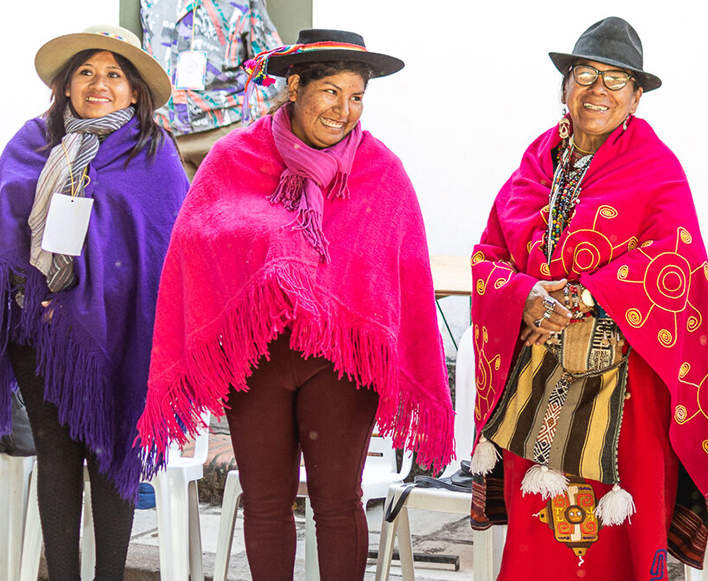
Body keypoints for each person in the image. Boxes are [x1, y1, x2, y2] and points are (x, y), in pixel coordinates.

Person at [136, 29, 455, 580]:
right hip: (257, 358)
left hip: (339, 362)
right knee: (264, 504)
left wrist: (304, 268)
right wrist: (275, 251)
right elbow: (195, 244)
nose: (344, 110)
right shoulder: (234, 157)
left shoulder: (382, 173)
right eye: (331, 91)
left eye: (356, 97)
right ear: (293, 87)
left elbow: (398, 269)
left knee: (336, 502)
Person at [469, 16, 708, 579]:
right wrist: (527, 294)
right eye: (585, 74)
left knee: (623, 539)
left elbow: (674, 259)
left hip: (626, 389)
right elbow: (488, 254)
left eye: (616, 80)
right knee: (541, 535)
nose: (597, 91)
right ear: (563, 86)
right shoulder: (537, 160)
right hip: (535, 384)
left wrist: (587, 297)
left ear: (637, 97)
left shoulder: (656, 168)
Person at [0, 25, 187, 578]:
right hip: (42, 336)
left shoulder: (155, 154)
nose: (98, 84)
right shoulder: (31, 143)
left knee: (112, 458)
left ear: (134, 91)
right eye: (86, 72)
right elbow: (7, 234)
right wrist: (32, 299)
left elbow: (164, 249)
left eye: (114, 74)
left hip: (125, 331)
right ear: (65, 85)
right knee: (57, 460)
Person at [141, 0, 284, 180]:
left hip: (225, 129)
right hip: (164, 134)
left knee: (230, 206)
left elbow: (269, 65)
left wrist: (251, 129)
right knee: (174, 207)